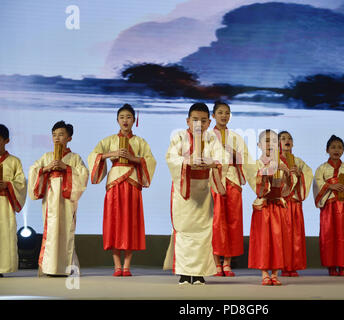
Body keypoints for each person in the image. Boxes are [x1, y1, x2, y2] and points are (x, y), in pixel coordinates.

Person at [88, 104, 156, 277]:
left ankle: (127, 265)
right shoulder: (109, 140)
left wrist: (133, 158)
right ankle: (117, 265)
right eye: (122, 117)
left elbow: (150, 160)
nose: (125, 120)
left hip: (132, 182)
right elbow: (94, 155)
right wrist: (110, 154)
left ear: (134, 120)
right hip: (115, 183)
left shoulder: (140, 142)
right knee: (115, 222)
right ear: (117, 120)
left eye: (129, 117)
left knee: (131, 223)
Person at [163, 102, 226, 285]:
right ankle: (184, 273)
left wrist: (212, 164)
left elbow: (222, 158)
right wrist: (187, 162)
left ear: (209, 122)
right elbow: (171, 158)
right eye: (195, 120)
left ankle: (198, 273)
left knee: (203, 232)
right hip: (184, 188)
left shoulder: (212, 138)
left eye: (203, 120)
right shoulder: (179, 136)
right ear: (188, 120)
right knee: (184, 230)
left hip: (203, 190)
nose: (199, 124)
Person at [28, 121, 88, 276]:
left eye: (61, 135)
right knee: (51, 231)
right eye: (54, 135)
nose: (57, 138)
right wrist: (46, 169)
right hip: (50, 198)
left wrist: (66, 168)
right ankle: (50, 267)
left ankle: (67, 267)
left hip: (67, 199)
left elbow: (83, 174)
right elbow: (33, 170)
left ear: (69, 138)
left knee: (67, 231)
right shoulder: (46, 156)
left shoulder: (75, 158)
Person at [210, 101, 256, 277]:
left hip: (233, 180)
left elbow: (247, 160)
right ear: (213, 115)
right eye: (220, 112)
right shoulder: (206, 136)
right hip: (214, 181)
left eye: (227, 113)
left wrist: (235, 155)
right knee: (216, 222)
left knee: (232, 221)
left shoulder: (236, 137)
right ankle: (216, 263)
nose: (224, 116)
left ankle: (227, 262)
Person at [248, 129, 295, 286]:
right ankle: (264, 273)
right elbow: (257, 188)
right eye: (267, 141)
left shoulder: (281, 164)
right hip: (264, 206)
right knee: (263, 240)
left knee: (277, 239)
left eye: (274, 141)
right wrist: (266, 173)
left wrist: (287, 174)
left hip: (277, 205)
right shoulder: (256, 164)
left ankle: (275, 273)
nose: (270, 144)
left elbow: (288, 189)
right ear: (259, 145)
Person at [313, 135, 344, 276]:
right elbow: (317, 183)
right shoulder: (321, 168)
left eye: (340, 147)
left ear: (343, 151)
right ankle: (331, 266)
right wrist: (330, 186)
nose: (336, 150)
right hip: (329, 206)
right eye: (333, 147)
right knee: (329, 235)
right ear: (327, 150)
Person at [278, 131, 313, 277]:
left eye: (290, 138)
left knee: (296, 236)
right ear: (278, 143)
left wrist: (300, 175)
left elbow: (308, 174)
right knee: (283, 236)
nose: (287, 140)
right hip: (282, 204)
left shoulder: (299, 162)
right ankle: (282, 265)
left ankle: (293, 266)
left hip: (295, 203)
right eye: (283, 138)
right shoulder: (275, 162)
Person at [0, 124, 27, 277]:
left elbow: (21, 183)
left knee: (4, 235)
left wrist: (8, 185)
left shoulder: (14, 161)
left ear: (6, 140)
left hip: (5, 204)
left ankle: (2, 268)